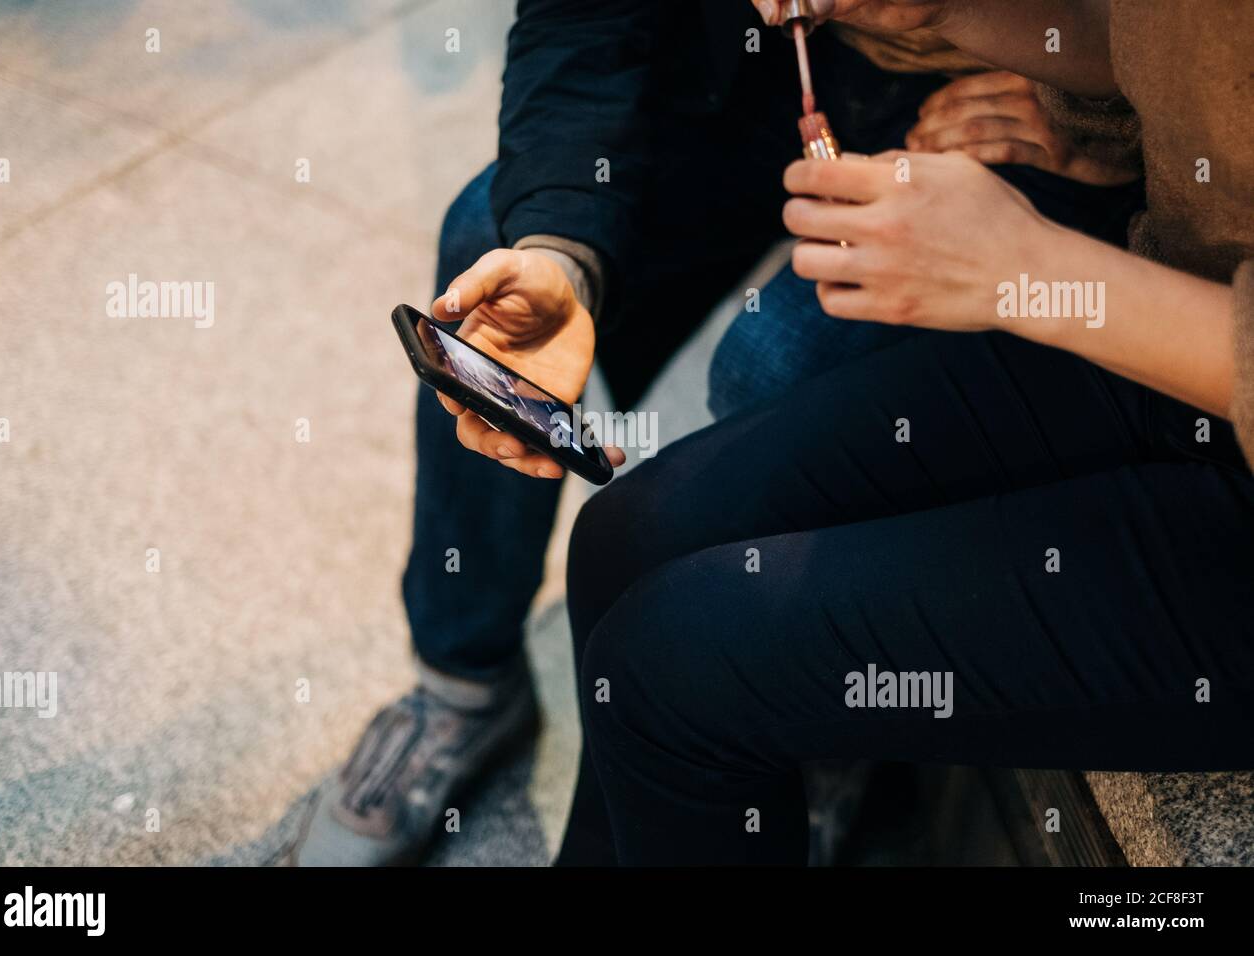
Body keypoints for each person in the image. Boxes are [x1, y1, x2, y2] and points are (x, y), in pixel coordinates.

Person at [290, 1, 1142, 865]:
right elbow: (577, 27)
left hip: (1013, 111)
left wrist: (1102, 109)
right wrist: (561, 251)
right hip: (743, 78)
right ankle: (462, 685)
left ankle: (818, 731)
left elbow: (1198, 62)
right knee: (493, 238)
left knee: (779, 364)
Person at [549, 0, 1254, 865]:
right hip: (1186, 349)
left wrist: (1029, 271)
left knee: (674, 668)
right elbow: (1170, 57)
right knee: (627, 532)